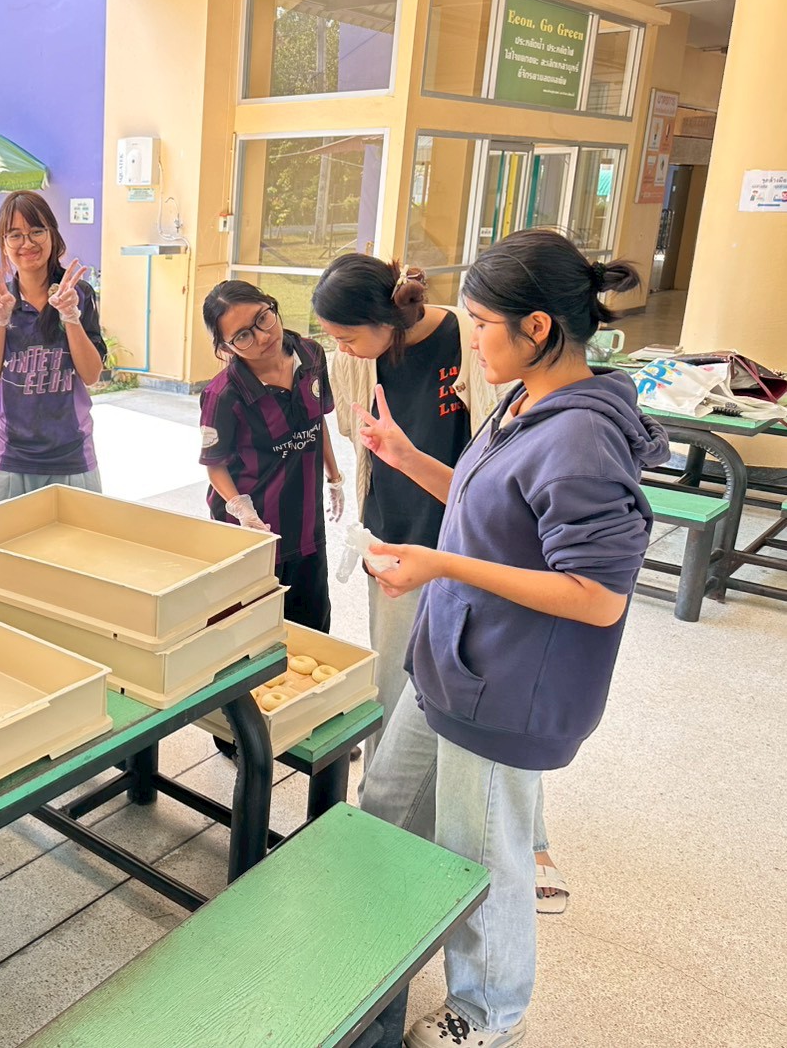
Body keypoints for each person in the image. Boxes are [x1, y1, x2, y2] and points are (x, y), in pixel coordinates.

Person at [356, 229, 670, 1047]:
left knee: (483, 853)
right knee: (385, 807)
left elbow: (596, 596)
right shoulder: (524, 399)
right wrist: (407, 457)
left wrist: (437, 565)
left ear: (536, 327)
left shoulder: (581, 439)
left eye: (480, 323)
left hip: (504, 686)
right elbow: (488, 504)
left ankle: (487, 1013)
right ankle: (376, 947)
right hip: (452, 659)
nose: (470, 339)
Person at [315, 254, 569, 915]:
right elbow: (361, 440)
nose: (341, 350)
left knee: (490, 699)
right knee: (393, 683)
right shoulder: (354, 360)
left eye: (347, 336)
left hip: (470, 541)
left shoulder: (473, 345)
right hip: (395, 530)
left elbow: (501, 462)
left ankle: (530, 839)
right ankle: (388, 812)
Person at [198, 280, 344, 631]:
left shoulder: (310, 355)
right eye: (242, 336)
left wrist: (334, 477)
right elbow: (215, 465)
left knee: (312, 625)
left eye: (262, 318)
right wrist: (241, 509)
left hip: (306, 520)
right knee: (252, 631)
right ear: (226, 347)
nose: (263, 337)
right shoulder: (224, 395)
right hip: (254, 529)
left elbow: (316, 421)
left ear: (272, 305)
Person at [0, 190, 105, 505]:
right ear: (4, 244)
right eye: (15, 235)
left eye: (36, 231)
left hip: (71, 454)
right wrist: (0, 320)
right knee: (5, 536)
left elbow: (91, 375)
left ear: (52, 235)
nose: (27, 243)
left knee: (77, 536)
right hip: (9, 456)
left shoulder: (78, 294)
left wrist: (70, 316)